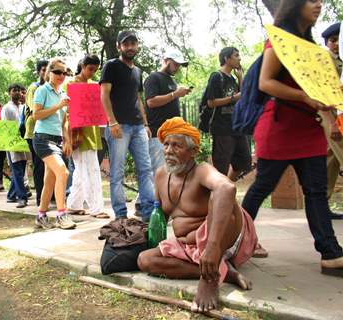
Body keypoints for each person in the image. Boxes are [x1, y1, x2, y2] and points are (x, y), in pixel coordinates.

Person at [241, 0, 343, 276]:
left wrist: (329, 108)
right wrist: (304, 97)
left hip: (309, 129)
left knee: (316, 192)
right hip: (279, 127)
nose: (319, 4)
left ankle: (331, 253)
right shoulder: (279, 40)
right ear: (296, 4)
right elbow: (266, 83)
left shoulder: (312, 48)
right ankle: (233, 242)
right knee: (261, 188)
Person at [137, 117, 257, 313]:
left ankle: (209, 277)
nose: (168, 150)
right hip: (189, 247)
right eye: (166, 144)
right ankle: (224, 272)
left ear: (193, 152)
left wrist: (211, 248)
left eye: (177, 146)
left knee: (221, 197)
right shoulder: (160, 175)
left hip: (222, 240)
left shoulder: (202, 171)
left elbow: (226, 187)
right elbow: (159, 218)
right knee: (145, 260)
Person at [100, 30, 155, 222]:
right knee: (117, 172)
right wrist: (112, 121)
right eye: (126, 44)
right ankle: (121, 215)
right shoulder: (111, 66)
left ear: (137, 45)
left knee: (146, 169)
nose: (130, 47)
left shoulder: (137, 71)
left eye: (133, 43)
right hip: (119, 126)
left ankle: (149, 213)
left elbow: (138, 98)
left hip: (138, 126)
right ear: (119, 46)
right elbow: (104, 95)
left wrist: (145, 123)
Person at [33, 58, 75, 230]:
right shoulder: (42, 90)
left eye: (64, 72)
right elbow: (36, 115)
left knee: (50, 181)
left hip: (57, 140)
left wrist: (67, 140)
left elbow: (64, 121)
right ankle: (61, 214)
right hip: (42, 139)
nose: (61, 75)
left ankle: (41, 216)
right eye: (57, 72)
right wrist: (59, 106)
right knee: (63, 172)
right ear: (49, 72)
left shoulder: (64, 95)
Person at [66, 54, 109, 219]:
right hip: (77, 133)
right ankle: (96, 208)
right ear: (82, 66)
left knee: (80, 171)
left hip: (92, 131)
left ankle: (74, 205)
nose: (92, 73)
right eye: (90, 69)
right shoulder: (70, 84)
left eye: (95, 70)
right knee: (91, 170)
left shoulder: (94, 85)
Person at [207, 47, 251, 181]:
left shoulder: (233, 78)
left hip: (236, 128)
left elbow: (242, 98)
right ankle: (218, 195)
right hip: (222, 129)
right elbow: (211, 102)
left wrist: (240, 78)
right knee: (221, 167)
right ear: (227, 58)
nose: (239, 58)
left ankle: (227, 187)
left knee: (244, 162)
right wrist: (232, 98)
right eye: (236, 55)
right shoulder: (216, 77)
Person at [144, 49, 191, 174]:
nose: (177, 68)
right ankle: (151, 194)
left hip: (172, 133)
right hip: (157, 133)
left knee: (170, 171)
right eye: (175, 64)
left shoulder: (171, 80)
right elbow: (151, 102)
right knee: (157, 171)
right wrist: (175, 94)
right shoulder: (153, 78)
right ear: (166, 61)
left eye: (179, 65)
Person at [320, 22, 343, 219]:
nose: (336, 44)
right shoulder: (326, 59)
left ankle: (322, 207)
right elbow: (325, 92)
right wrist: (331, 121)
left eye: (338, 40)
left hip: (336, 115)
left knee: (331, 160)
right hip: (331, 114)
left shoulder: (339, 60)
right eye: (333, 40)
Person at [24, 60, 48, 206]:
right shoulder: (34, 88)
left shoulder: (51, 88)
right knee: (39, 166)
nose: (46, 73)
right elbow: (35, 112)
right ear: (38, 72)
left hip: (48, 132)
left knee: (47, 165)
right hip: (34, 132)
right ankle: (40, 197)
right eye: (43, 70)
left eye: (48, 70)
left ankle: (48, 195)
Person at [1, 84, 28, 208]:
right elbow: (6, 126)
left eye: (18, 90)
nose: (17, 93)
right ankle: (22, 198)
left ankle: (11, 195)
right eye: (14, 91)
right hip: (12, 141)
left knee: (21, 170)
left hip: (23, 141)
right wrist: (11, 143)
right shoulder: (6, 108)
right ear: (9, 93)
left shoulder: (23, 107)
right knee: (17, 170)